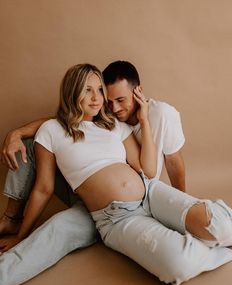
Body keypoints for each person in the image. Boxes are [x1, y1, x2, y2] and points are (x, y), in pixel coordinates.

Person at [0, 63, 232, 285]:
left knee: (223, 224)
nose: (96, 98)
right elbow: (44, 188)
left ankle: (205, 233)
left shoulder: (113, 126)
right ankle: (211, 249)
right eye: (87, 90)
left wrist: (143, 119)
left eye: (99, 90)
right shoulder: (51, 130)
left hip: (151, 193)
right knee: (177, 266)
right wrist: (21, 234)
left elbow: (149, 171)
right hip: (116, 217)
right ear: (72, 92)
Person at [0, 60, 185, 236]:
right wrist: (16, 133)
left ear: (138, 92)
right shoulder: (106, 117)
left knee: (56, 229)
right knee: (30, 144)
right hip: (83, 186)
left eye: (121, 99)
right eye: (109, 100)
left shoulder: (158, 116)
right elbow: (59, 124)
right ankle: (12, 219)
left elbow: (170, 163)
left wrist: (180, 202)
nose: (114, 107)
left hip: (123, 202)